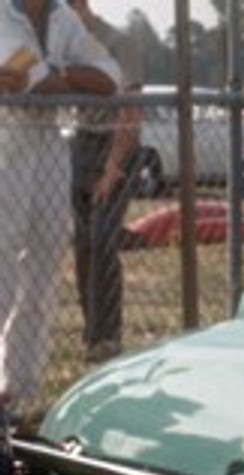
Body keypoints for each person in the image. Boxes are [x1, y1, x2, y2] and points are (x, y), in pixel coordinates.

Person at [0, 0, 119, 419]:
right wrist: (65, 80)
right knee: (2, 267)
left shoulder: (63, 17)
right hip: (5, 141)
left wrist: (60, 76)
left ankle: (19, 388)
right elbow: (21, 78)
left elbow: (110, 77)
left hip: (50, 142)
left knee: (45, 262)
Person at [68, 0, 142, 365]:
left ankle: (108, 337)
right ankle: (92, 334)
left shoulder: (115, 42)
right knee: (83, 246)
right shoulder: (66, 44)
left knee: (101, 241)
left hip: (114, 142)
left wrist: (113, 168)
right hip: (80, 143)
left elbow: (131, 110)